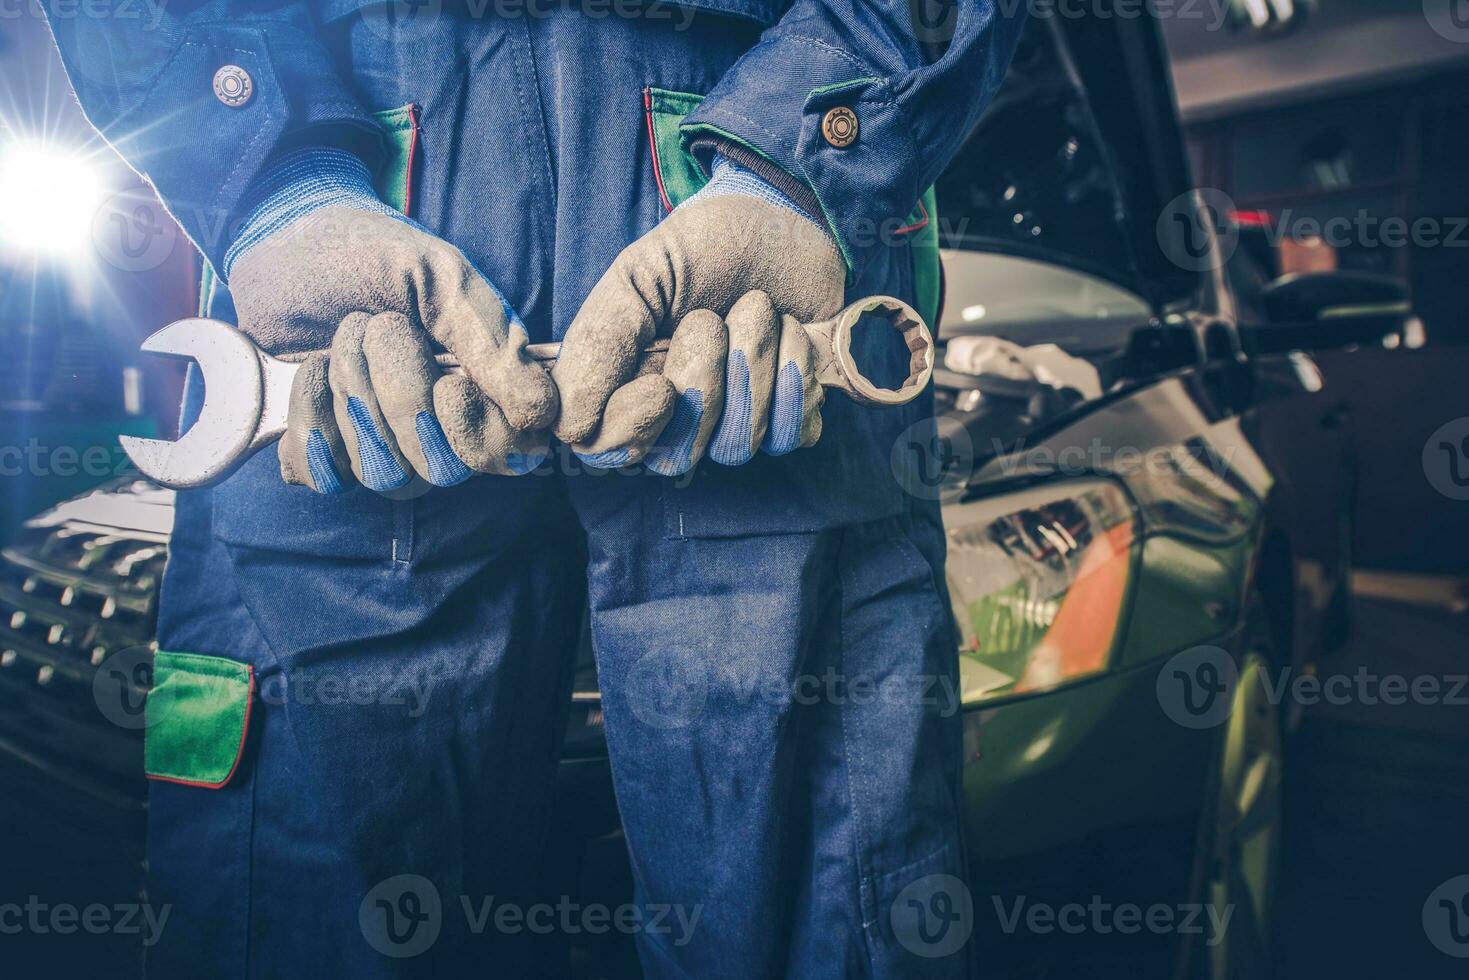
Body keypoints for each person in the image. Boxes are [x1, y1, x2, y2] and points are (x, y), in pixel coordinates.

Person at [47, 0, 1021, 974]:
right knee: (307, 919)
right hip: (348, 199)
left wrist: (800, 160)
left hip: (752, 187)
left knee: (824, 924)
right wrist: (265, 176)